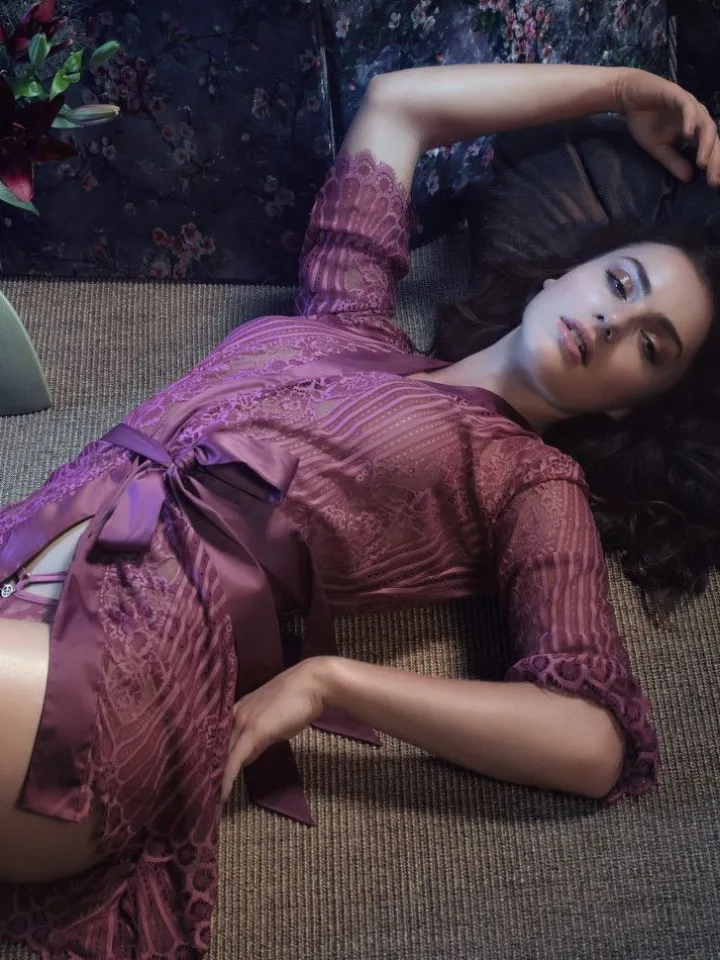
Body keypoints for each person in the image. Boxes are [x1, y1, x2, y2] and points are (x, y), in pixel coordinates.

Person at [1, 62, 720, 959]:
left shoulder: (531, 481)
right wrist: (624, 88)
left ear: (625, 408)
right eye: (619, 285)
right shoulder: (349, 313)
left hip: (127, 671)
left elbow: (595, 741)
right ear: (561, 276)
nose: (614, 326)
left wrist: (328, 683)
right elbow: (400, 105)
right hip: (30, 553)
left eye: (651, 348)